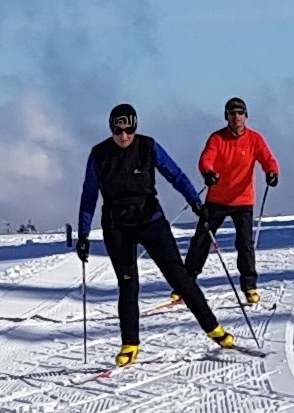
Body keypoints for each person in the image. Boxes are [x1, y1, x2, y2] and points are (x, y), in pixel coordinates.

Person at [77, 103, 237, 366]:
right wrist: (83, 234)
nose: (124, 136)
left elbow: (175, 174)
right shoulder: (99, 154)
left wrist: (195, 202)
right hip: (117, 227)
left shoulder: (148, 146)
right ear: (111, 129)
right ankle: (130, 343)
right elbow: (89, 195)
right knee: (128, 285)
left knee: (180, 277)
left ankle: (214, 329)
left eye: (129, 130)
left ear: (135, 128)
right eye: (118, 131)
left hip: (151, 220)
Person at [184, 96, 280, 304]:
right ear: (226, 116)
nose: (236, 116)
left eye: (240, 112)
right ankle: (186, 283)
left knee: (245, 244)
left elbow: (267, 159)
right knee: (201, 240)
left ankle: (250, 285)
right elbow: (206, 159)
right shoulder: (217, 138)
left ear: (246, 116)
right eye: (232, 113)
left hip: (243, 201)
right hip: (217, 200)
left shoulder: (255, 139)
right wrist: (207, 173)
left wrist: (272, 172)